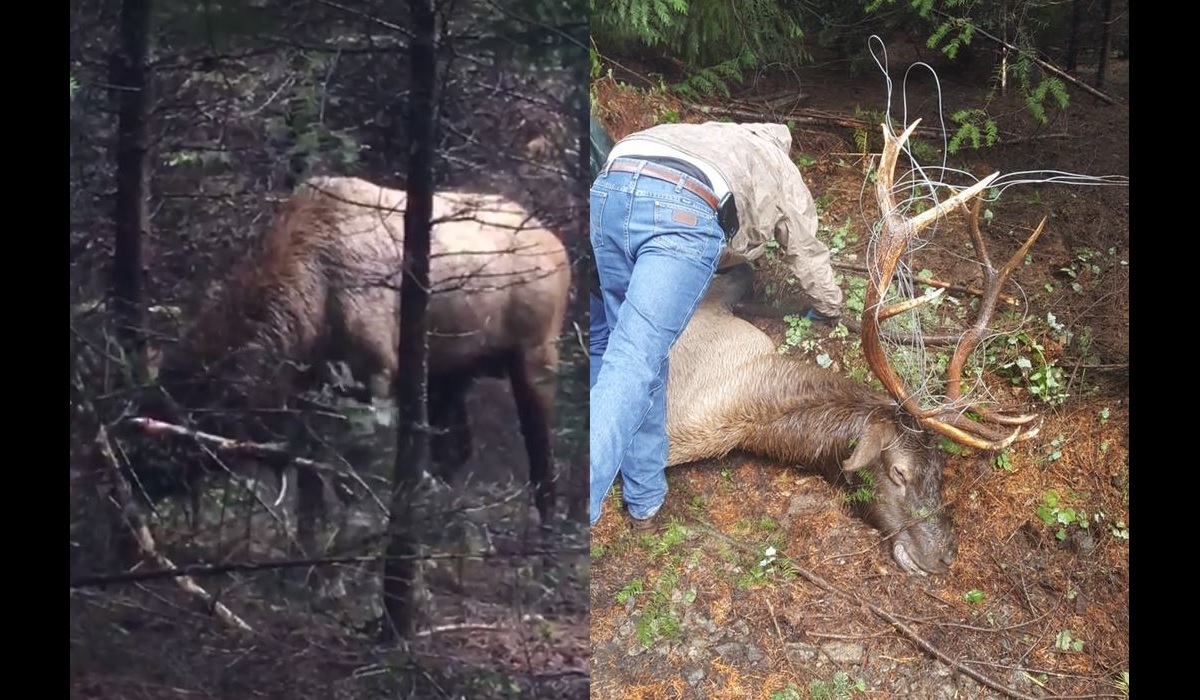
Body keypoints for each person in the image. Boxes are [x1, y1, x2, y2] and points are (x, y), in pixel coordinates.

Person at [589, 120, 844, 530]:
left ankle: (645, 500)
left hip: (611, 191)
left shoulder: (706, 133)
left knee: (623, 349)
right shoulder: (777, 164)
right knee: (634, 361)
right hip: (681, 209)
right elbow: (806, 250)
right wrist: (829, 307)